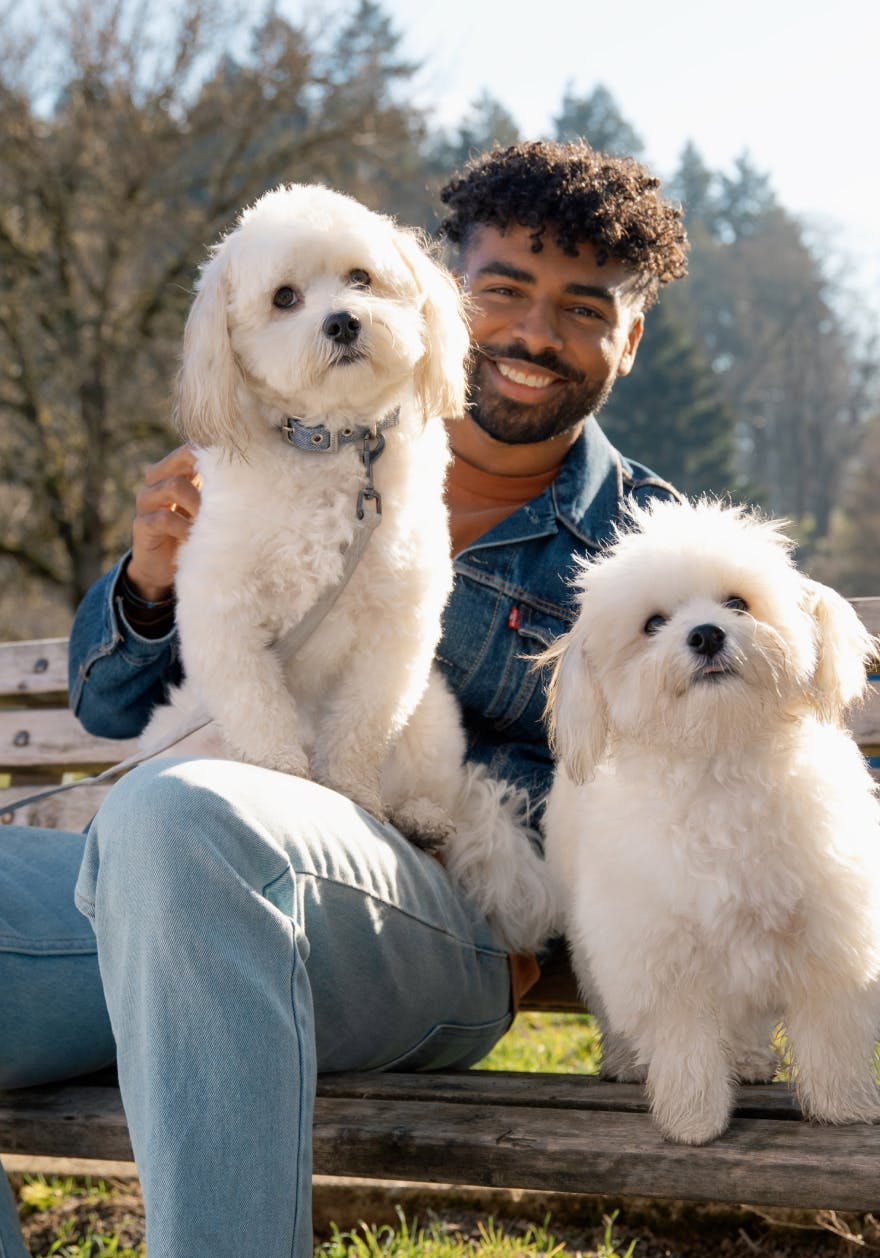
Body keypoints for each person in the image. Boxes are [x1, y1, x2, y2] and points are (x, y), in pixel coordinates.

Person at [0, 140, 688, 1257]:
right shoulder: (264, 438)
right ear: (451, 288)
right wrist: (146, 582)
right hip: (188, 877)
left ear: (630, 335)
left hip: (432, 915)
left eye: (584, 308)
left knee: (186, 817)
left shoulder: (653, 551)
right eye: (504, 289)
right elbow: (107, 705)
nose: (531, 334)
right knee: (183, 823)